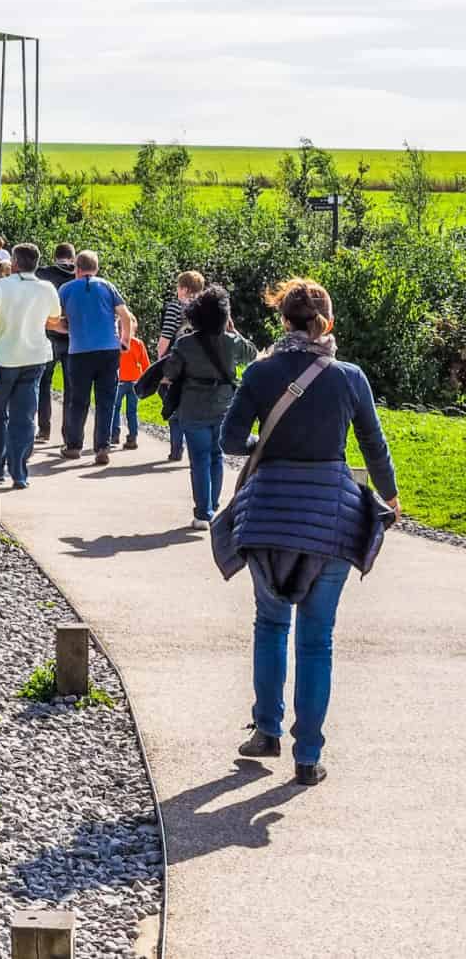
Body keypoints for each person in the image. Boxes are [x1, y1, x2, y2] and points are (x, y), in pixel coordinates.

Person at [219, 277, 398, 787]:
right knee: (317, 640)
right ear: (328, 322)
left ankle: (266, 731)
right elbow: (373, 443)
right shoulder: (349, 377)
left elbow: (232, 439)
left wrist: (268, 443)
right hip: (331, 520)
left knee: (270, 624)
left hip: (269, 516)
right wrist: (389, 497)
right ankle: (308, 756)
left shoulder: (260, 372)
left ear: (283, 321)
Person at [168, 284, 257, 527]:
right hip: (224, 407)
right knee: (217, 456)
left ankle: (202, 513)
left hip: (192, 408)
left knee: (199, 460)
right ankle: (214, 505)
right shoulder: (231, 342)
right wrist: (234, 330)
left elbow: (171, 371)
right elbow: (252, 353)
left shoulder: (185, 343)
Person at [0, 243, 62, 490]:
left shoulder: (0, 286)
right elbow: (53, 320)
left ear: (14, 263)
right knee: (24, 417)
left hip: (5, 358)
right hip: (35, 357)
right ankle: (19, 472)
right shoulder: (47, 288)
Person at [50, 250, 136, 464]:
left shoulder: (66, 289)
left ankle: (73, 446)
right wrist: (125, 341)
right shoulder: (107, 286)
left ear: (77, 269)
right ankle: (102, 447)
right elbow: (125, 316)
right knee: (106, 400)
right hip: (108, 349)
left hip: (79, 351)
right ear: (96, 268)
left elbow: (54, 319)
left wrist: (68, 329)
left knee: (78, 400)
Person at [157, 270, 205, 464]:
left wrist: (160, 360)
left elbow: (166, 337)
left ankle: (176, 449)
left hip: (177, 363)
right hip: (201, 364)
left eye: (178, 287)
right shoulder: (206, 309)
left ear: (184, 289)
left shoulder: (175, 308)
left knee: (172, 404)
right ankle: (196, 449)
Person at [33, 244, 76, 442]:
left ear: (55, 256)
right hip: (72, 337)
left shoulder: (43, 274)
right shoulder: (79, 276)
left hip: (48, 334)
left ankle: (44, 429)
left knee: (44, 383)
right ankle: (68, 433)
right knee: (70, 387)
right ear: (73, 258)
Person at [111, 331, 149, 451]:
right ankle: (132, 438)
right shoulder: (138, 343)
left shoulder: (115, 342)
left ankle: (114, 435)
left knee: (115, 408)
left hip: (120, 380)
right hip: (135, 381)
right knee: (132, 411)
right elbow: (145, 364)